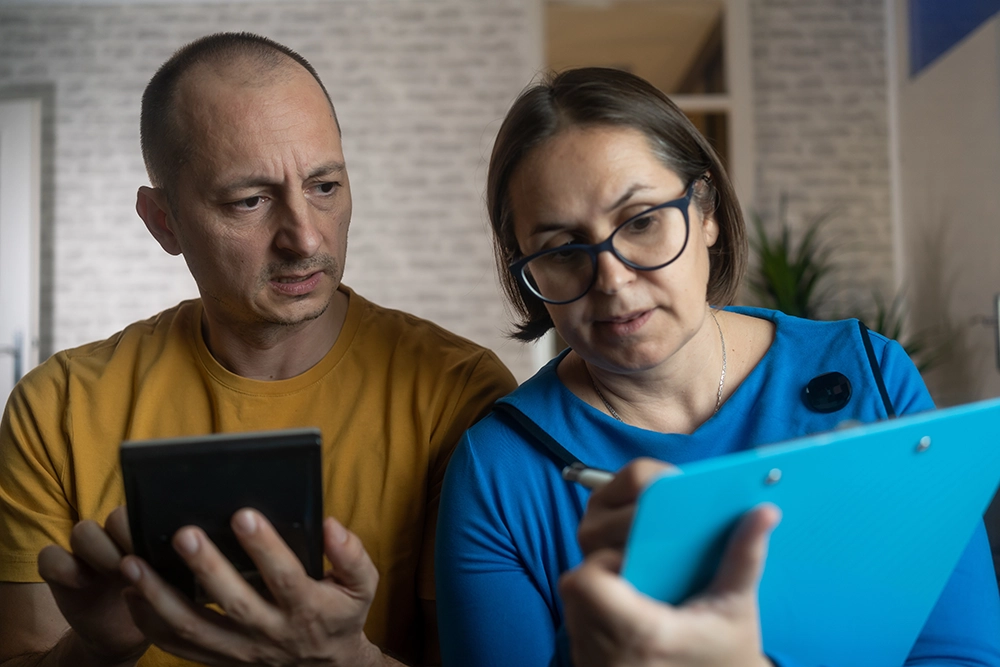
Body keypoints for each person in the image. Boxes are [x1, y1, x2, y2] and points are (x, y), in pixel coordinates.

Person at [434, 67, 1000, 666]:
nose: (614, 279)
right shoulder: (499, 470)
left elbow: (962, 656)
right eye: (563, 250)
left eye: (643, 222)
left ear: (705, 212)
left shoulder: (871, 375)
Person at [0, 32, 515, 667]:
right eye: (250, 200)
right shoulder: (58, 408)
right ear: (164, 222)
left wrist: (348, 660)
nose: (303, 237)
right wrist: (94, 648)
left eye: (324, 186)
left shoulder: (456, 393)